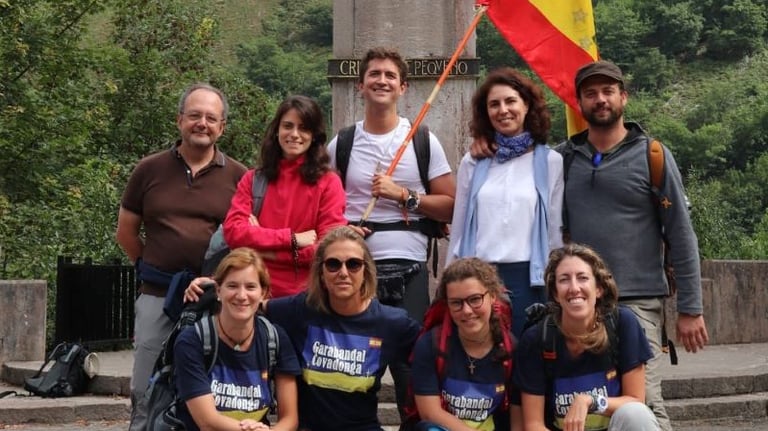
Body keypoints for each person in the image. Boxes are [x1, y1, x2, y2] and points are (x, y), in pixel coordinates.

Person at [470, 60, 708, 430]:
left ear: (623, 97)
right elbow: (519, 169)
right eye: (591, 93)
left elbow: (680, 233)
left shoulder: (653, 155)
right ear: (579, 102)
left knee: (643, 405)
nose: (600, 99)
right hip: (573, 298)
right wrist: (485, 140)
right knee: (561, 399)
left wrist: (690, 308)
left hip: (636, 300)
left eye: (608, 91)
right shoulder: (564, 158)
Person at [327, 47, 455, 418]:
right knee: (354, 362)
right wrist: (342, 227)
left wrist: (405, 196)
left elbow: (449, 204)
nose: (381, 80)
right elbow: (325, 204)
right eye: (374, 75)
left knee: (408, 365)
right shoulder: (343, 143)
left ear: (403, 87)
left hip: (409, 267)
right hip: (354, 270)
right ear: (360, 86)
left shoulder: (421, 141)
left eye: (389, 76)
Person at [115, 82, 247, 431]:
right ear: (179, 121)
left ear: (222, 127)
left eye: (210, 117)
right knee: (145, 387)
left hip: (215, 301)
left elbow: (247, 240)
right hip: (159, 296)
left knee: (214, 386)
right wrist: (150, 266)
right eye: (194, 116)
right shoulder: (149, 169)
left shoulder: (239, 176)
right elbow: (126, 232)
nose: (201, 123)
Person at [447, 67, 563, 339]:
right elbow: (460, 223)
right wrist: (450, 279)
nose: (503, 110)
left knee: (528, 361)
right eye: (494, 104)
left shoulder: (551, 161)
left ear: (526, 105)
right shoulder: (473, 161)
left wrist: (557, 279)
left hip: (530, 278)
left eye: (510, 101)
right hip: (478, 278)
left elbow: (554, 227)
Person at [269, 226, 419, 431]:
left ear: (366, 271)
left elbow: (436, 351)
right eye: (333, 264)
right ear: (321, 273)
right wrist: (215, 289)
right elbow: (248, 306)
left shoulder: (391, 322)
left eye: (354, 264)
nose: (343, 272)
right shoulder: (300, 310)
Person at [514, 243, 659, 431]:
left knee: (636, 414)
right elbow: (534, 425)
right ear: (555, 293)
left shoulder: (622, 323)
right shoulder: (537, 338)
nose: (574, 288)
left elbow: (635, 401)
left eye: (582, 278)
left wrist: (591, 401)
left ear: (598, 288)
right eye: (564, 280)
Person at [221, 95, 347, 298]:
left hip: (303, 299)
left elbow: (327, 250)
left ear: (314, 135)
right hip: (253, 295)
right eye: (288, 126)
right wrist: (293, 239)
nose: (294, 134)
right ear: (277, 130)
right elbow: (233, 233)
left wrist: (264, 249)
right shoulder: (253, 179)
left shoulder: (329, 183)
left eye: (303, 128)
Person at [175, 247, 300, 431]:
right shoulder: (193, 340)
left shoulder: (275, 338)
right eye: (232, 286)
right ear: (218, 290)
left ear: (263, 293)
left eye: (250, 287)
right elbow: (208, 422)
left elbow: (290, 418)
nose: (242, 296)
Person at [411, 257, 521, 431]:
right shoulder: (431, 344)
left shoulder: (510, 349)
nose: (467, 310)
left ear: (492, 296)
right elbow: (430, 413)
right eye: (456, 303)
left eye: (475, 299)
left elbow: (517, 419)